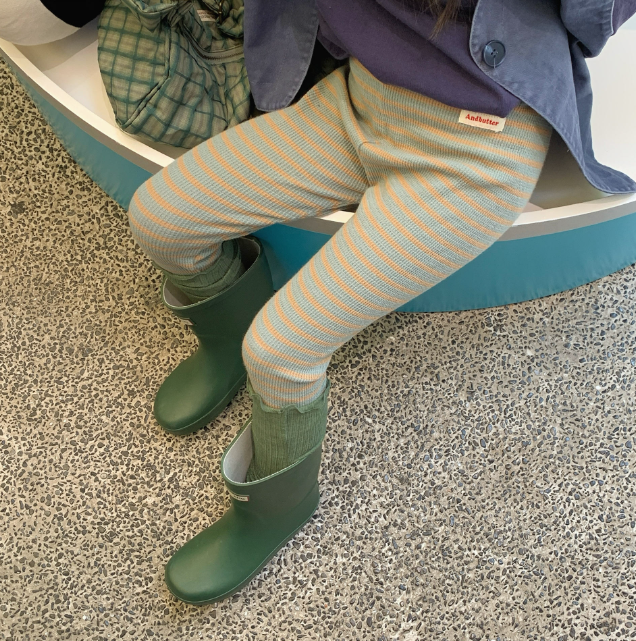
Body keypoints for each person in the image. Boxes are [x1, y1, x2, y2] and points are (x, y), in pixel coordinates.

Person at [127, 0, 636, 605]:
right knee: (159, 218)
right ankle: (225, 339)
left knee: (280, 350)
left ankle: (275, 509)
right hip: (358, 104)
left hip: (474, 152)